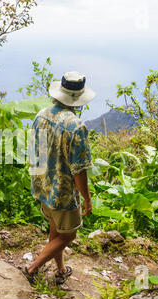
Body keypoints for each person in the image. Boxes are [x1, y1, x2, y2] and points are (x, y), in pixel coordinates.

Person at [25, 71, 95, 285]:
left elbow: (35, 150)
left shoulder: (41, 115)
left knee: (55, 230)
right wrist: (87, 197)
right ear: (78, 98)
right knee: (67, 236)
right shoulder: (75, 126)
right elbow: (79, 169)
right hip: (62, 192)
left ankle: (61, 269)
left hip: (42, 185)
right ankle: (32, 268)